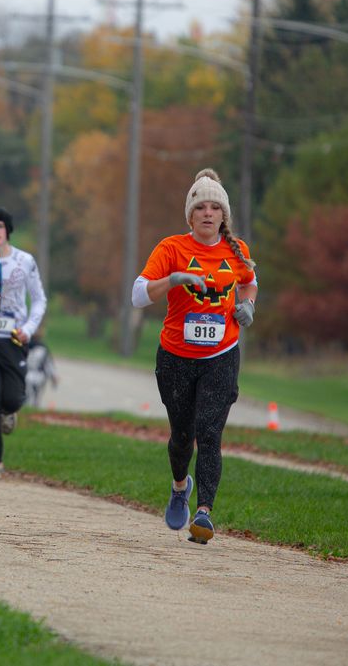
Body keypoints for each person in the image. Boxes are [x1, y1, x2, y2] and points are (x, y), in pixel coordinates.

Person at [130, 168, 258, 545]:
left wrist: (248, 306)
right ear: (190, 215)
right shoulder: (171, 248)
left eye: (213, 207)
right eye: (199, 207)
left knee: (210, 432)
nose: (207, 213)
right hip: (174, 356)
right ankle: (179, 486)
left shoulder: (237, 251)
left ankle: (204, 513)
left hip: (221, 354)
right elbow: (137, 295)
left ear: (223, 215)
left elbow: (250, 283)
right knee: (182, 437)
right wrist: (173, 280)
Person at [0, 206, 47, 479]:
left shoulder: (24, 261)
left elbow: (39, 299)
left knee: (13, 398)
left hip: (14, 338)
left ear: (7, 231)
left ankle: (10, 410)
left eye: (0, 226)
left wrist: (28, 329)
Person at [24, 333, 58, 409]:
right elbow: (48, 365)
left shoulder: (23, 345)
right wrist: (54, 377)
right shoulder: (43, 348)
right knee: (34, 400)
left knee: (25, 399)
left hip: (24, 375)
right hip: (38, 377)